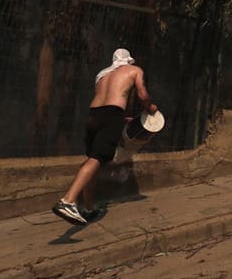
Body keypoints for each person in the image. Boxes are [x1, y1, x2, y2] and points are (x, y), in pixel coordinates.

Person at [52, 48, 158, 225]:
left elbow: (106, 100)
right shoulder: (134, 70)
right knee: (98, 158)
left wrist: (120, 118)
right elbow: (142, 95)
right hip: (111, 115)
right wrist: (151, 108)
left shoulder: (102, 75)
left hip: (93, 116)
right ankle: (67, 201)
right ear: (129, 60)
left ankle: (88, 209)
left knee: (92, 161)